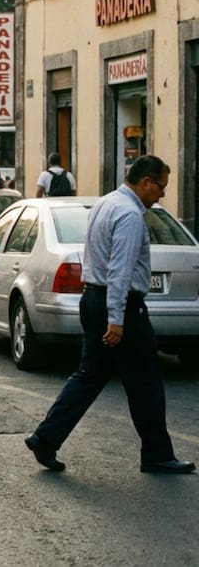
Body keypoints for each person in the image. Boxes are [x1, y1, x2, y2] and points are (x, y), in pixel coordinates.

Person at [25, 155, 194, 475]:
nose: (161, 195)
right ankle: (157, 454)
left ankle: (45, 438)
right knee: (146, 381)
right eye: (160, 187)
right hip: (121, 307)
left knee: (89, 376)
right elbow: (120, 271)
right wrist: (116, 319)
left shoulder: (105, 203)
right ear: (145, 182)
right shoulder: (130, 215)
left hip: (92, 298)